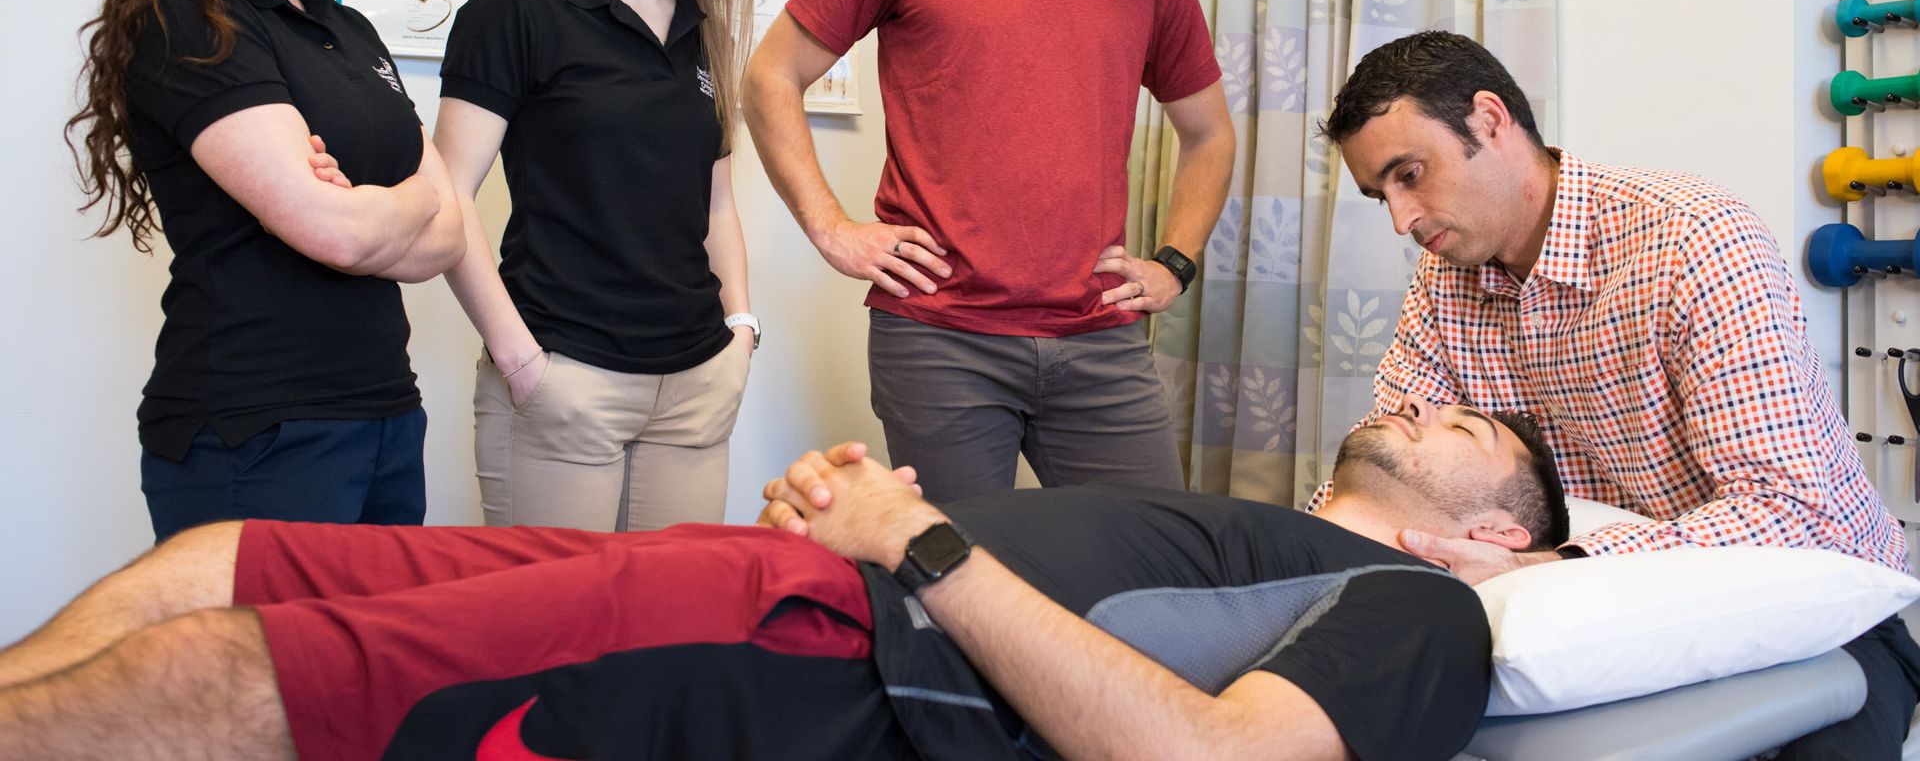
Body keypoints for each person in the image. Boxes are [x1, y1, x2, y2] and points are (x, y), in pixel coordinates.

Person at [0, 399, 1564, 761]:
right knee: (219, 563)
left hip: (833, 640)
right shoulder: (1254, 529)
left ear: (1490, 535)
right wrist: (856, 514)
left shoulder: (1430, 613)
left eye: (1470, 432)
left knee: (245, 675)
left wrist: (914, 543)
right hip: (778, 569)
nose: (1427, 402)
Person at [1316, 29, 1920, 759]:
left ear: (1490, 119)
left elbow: (1793, 513)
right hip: (1581, 612)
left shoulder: (1692, 239)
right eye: (1380, 193)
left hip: (1814, 614)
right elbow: (1380, 468)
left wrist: (1553, 565)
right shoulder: (1443, 289)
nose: (1401, 220)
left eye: (1410, 174)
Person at [742, 0, 1234, 503]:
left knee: (1154, 561)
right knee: (960, 583)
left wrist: (1174, 263)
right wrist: (830, 229)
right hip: (942, 339)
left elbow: (1209, 134)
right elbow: (771, 75)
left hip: (1099, 342)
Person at [67, 0, 464, 542]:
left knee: (380, 673)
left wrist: (371, 206)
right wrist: (404, 201)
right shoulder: (190, 17)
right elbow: (341, 234)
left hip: (387, 413)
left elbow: (447, 236)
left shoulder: (344, 29)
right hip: (255, 427)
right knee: (271, 674)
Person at [434, 0, 767, 532]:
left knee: (675, 631)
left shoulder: (703, 30)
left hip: (695, 387)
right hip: (566, 377)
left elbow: (715, 202)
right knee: (554, 637)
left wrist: (741, 332)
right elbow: (446, 195)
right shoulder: (521, 8)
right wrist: (518, 359)